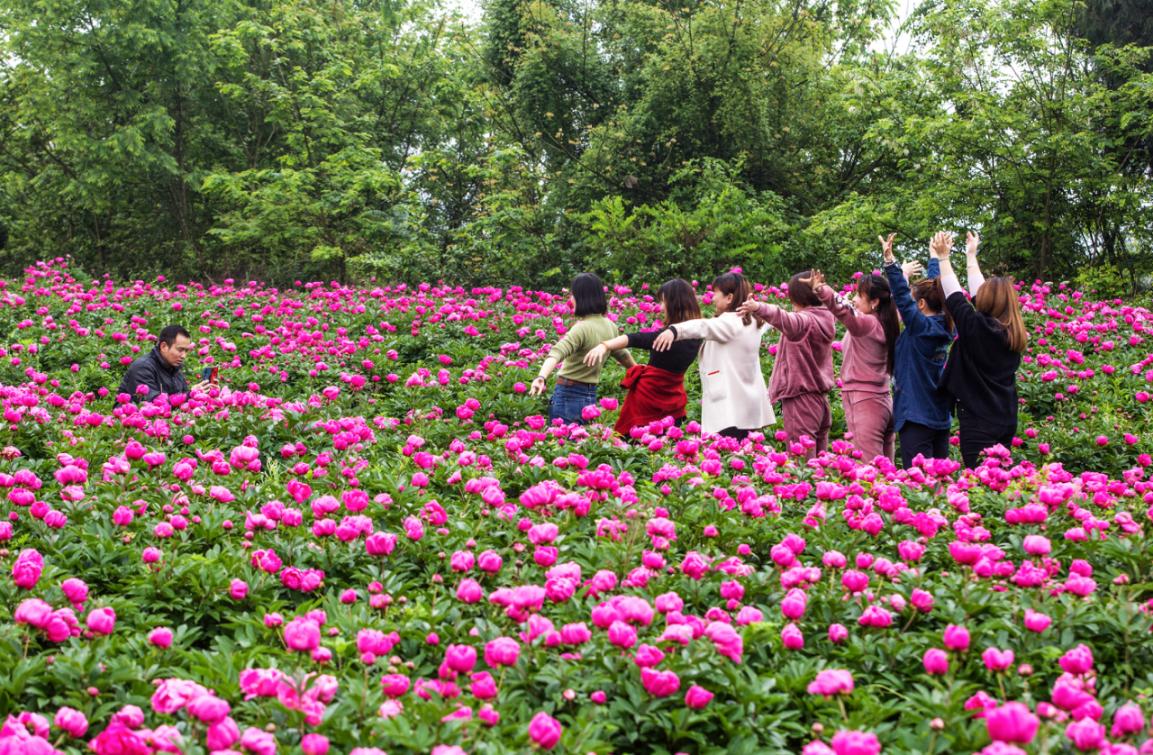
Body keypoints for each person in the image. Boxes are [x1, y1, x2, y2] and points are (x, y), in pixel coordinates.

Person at [932, 231, 1027, 468]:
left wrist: (944, 258)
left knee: (982, 481)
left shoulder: (978, 328)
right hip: (1004, 419)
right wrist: (971, 256)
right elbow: (978, 295)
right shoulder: (1012, 331)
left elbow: (954, 296)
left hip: (978, 421)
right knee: (1000, 481)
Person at [651, 272, 774, 439]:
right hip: (749, 404)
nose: (713, 298)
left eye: (716, 293)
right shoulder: (754, 321)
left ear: (729, 297)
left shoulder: (731, 322)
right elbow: (775, 316)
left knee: (726, 456)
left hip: (730, 409)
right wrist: (758, 307)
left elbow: (703, 326)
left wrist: (674, 330)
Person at [583, 279, 704, 437]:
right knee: (668, 447)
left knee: (634, 442)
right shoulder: (700, 335)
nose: (660, 308)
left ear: (674, 304)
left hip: (646, 399)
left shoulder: (666, 336)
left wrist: (604, 346)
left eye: (663, 302)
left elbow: (634, 338)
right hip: (674, 400)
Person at [735, 271, 836, 457]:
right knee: (821, 462)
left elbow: (784, 318)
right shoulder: (826, 317)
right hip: (820, 399)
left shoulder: (805, 322)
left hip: (802, 399)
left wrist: (757, 306)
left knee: (803, 463)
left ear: (797, 296)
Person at [808, 268, 899, 462]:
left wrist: (821, 289)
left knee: (870, 471)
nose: (854, 300)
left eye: (859, 295)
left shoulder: (868, 324)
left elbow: (844, 310)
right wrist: (902, 274)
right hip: (881, 400)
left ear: (874, 302)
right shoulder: (886, 321)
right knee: (887, 470)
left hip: (865, 403)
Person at [880, 233, 955, 467]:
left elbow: (902, 296)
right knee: (939, 482)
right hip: (940, 417)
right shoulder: (947, 325)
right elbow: (936, 290)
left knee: (917, 482)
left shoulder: (921, 327)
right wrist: (935, 258)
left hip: (915, 415)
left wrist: (890, 262)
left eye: (916, 301)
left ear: (921, 305)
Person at [529, 273, 636, 424]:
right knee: (580, 444)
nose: (570, 299)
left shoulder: (582, 328)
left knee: (564, 443)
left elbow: (557, 352)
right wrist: (638, 371)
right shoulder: (610, 326)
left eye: (572, 294)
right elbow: (622, 354)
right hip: (589, 394)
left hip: (568, 394)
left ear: (581, 297)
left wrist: (541, 377)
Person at [117, 325, 207, 402]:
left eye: (186, 351)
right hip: (130, 420)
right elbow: (152, 403)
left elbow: (183, 400)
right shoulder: (143, 367)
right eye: (180, 350)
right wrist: (190, 395)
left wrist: (197, 394)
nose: (184, 356)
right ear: (164, 346)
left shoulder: (175, 369)